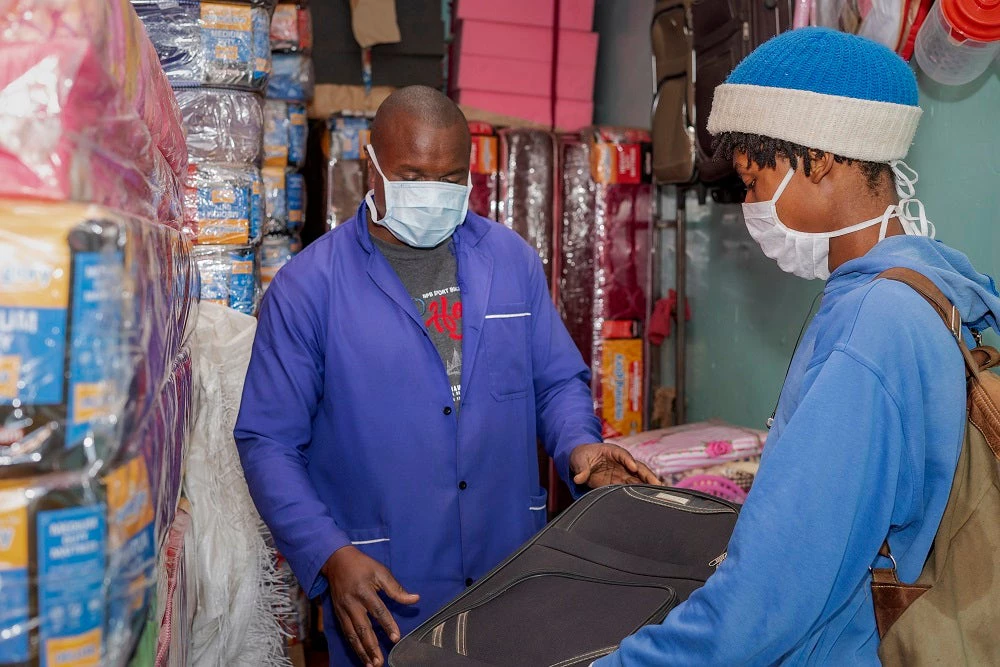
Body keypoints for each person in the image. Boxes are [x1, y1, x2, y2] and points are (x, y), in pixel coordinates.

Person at [594, 28, 1000, 666]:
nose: (750, 206)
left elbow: (769, 599)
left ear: (819, 159)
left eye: (754, 182)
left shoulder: (873, 327)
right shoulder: (926, 284)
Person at [234, 86, 658, 667]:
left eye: (450, 178)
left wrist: (581, 445)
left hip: (511, 570)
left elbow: (556, 381)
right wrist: (328, 553)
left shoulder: (509, 260)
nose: (431, 193)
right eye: (413, 174)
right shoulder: (309, 288)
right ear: (371, 165)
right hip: (384, 587)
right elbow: (268, 442)